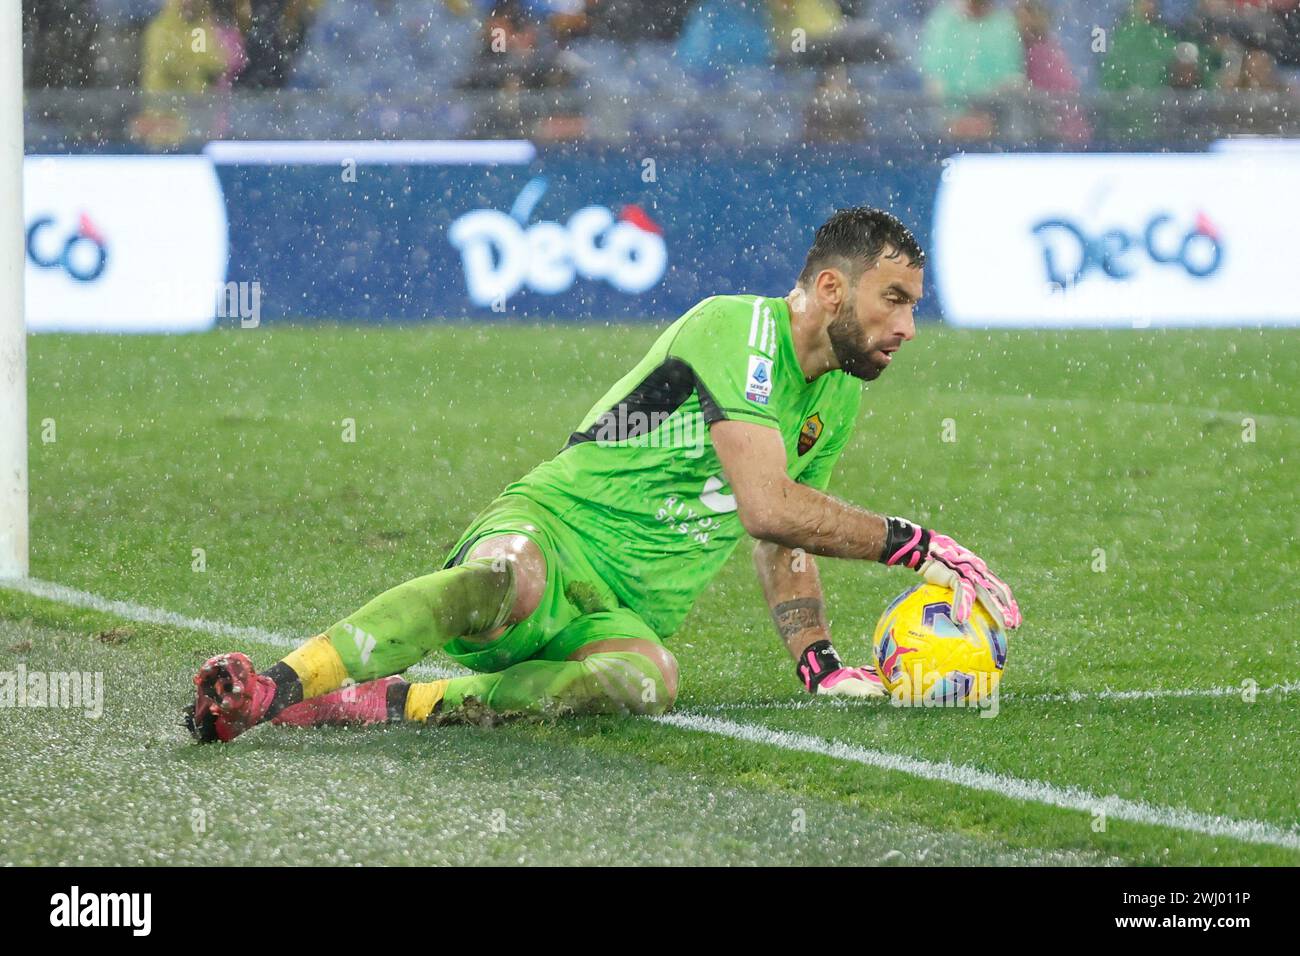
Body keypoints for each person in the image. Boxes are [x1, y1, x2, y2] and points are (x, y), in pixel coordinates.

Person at [185, 207, 1021, 743]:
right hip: (552, 531)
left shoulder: (835, 395)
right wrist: (914, 545)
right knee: (499, 581)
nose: (910, 325)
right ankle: (275, 685)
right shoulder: (734, 328)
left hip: (621, 613)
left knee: (646, 681)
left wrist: (820, 662)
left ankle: (394, 703)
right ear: (832, 289)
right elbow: (769, 507)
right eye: (897, 299)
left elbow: (781, 529)